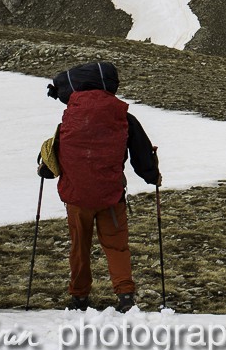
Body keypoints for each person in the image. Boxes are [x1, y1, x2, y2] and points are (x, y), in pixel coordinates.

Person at [38, 61, 161, 312]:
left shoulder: (70, 120)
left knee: (79, 247)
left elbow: (55, 158)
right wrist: (153, 176)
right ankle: (125, 296)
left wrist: (45, 170)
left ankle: (79, 298)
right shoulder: (123, 118)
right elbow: (141, 153)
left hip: (76, 199)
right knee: (117, 246)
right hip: (111, 196)